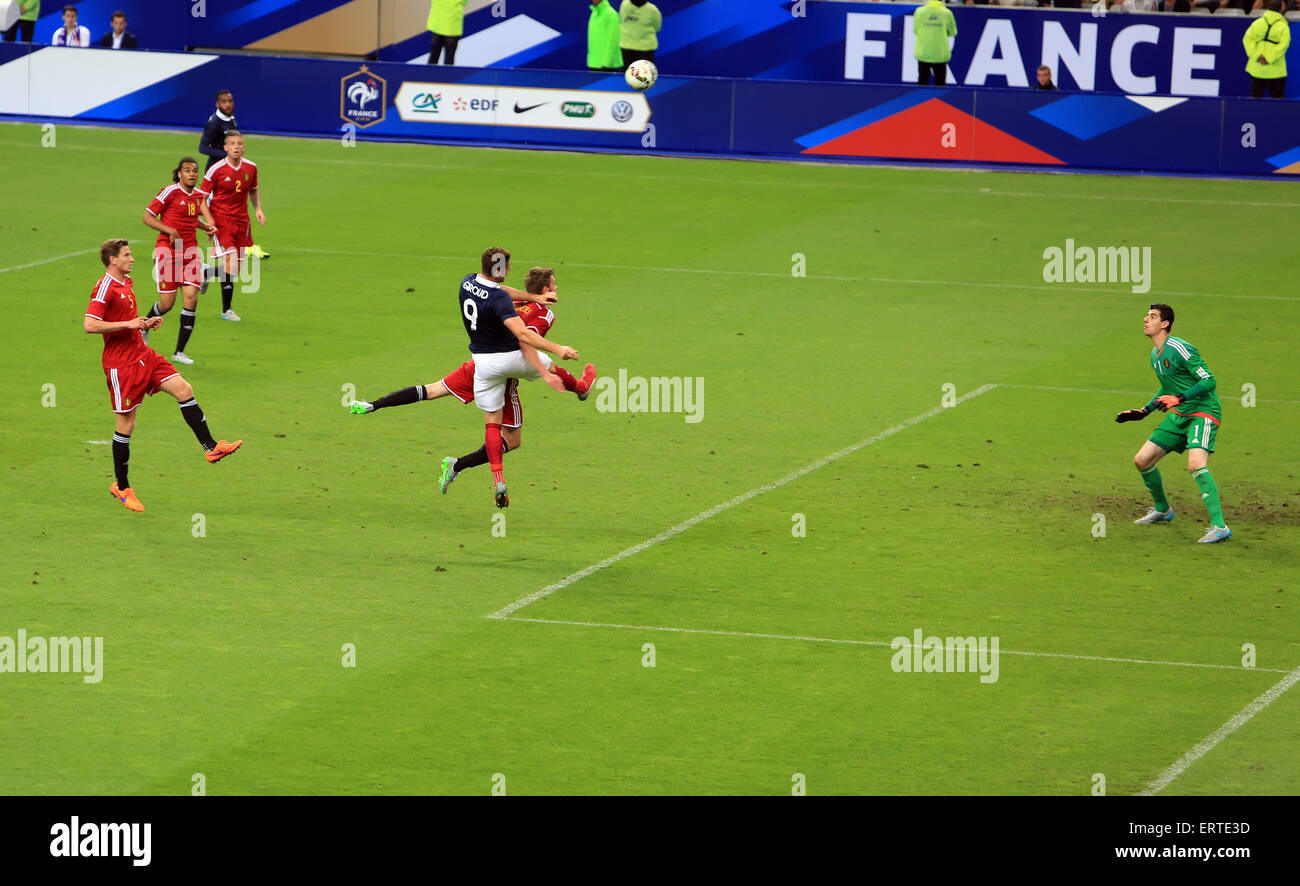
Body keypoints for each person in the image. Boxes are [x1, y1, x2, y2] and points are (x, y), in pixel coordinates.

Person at [348, 267, 597, 496]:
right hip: (504, 371)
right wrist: (553, 358)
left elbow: (499, 291)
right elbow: (525, 342)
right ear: (546, 290)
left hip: (479, 363)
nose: (557, 289)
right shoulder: (544, 313)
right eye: (555, 285)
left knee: (432, 390)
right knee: (513, 438)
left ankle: (373, 404)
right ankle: (459, 465)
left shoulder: (509, 298)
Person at [84, 239, 243, 512]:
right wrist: (129, 324)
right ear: (113, 259)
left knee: (184, 389)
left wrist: (143, 323)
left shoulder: (126, 282)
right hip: (120, 365)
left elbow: (128, 321)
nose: (132, 259)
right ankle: (121, 487)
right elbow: (89, 324)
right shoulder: (105, 287)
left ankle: (211, 447)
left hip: (143, 354)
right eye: (127, 255)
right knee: (127, 424)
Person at [461, 248, 581, 507]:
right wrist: (559, 349)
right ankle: (580, 386)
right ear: (500, 270)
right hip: (506, 359)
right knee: (546, 365)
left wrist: (532, 296)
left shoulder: (468, 281)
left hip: (480, 363)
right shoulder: (501, 301)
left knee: (489, 422)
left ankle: (497, 480)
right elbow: (525, 337)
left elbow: (501, 291)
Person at [1115, 304, 1230, 544]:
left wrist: (1178, 399)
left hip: (1202, 412)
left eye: (1152, 316)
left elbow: (1209, 380)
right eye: (1147, 315)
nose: (1146, 319)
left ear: (1165, 324)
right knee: (1142, 460)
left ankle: (1220, 527)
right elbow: (1168, 387)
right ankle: (1163, 510)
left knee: (1196, 464)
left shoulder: (1179, 347)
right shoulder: (1155, 355)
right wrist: (1144, 411)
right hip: (1179, 415)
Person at [141, 157, 218, 365]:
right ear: (179, 174)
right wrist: (169, 230)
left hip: (190, 253)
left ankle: (179, 352)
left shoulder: (197, 196)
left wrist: (206, 227)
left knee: (191, 299)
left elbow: (193, 219)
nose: (192, 174)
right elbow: (147, 217)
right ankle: (142, 328)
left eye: (195, 171)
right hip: (168, 252)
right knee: (167, 304)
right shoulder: (170, 192)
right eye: (187, 170)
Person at [195, 130, 265, 323]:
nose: (236, 147)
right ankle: (226, 310)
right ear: (225, 148)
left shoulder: (251, 168)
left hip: (242, 222)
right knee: (231, 264)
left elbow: (253, 190)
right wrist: (209, 220)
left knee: (235, 269)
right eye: (232, 144)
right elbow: (201, 198)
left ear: (243, 147)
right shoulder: (216, 169)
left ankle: (205, 272)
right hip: (222, 221)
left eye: (239, 143)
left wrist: (258, 209)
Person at [199, 91, 268, 259]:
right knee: (214, 209)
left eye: (230, 101)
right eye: (224, 102)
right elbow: (203, 148)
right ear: (217, 104)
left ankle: (245, 244)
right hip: (219, 173)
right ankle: (217, 243)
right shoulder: (214, 123)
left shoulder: (229, 119)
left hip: (232, 170)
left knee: (236, 207)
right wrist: (227, 156)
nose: (228, 104)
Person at [1244, 0, 1290, 99]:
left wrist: (1257, 56)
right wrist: (1269, 58)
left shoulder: (1257, 23)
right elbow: (1284, 45)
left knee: (1255, 100)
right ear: (1281, 9)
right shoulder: (1283, 26)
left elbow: (1247, 39)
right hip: (1276, 70)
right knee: (1277, 102)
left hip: (1257, 68)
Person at [913, 0, 957, 86]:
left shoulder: (919, 11)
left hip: (923, 53)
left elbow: (916, 30)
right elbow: (953, 32)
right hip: (940, 54)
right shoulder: (947, 13)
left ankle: (920, 99)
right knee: (940, 84)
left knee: (922, 82)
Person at [619, 0, 661, 68]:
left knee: (645, 76)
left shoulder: (652, 10)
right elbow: (621, 20)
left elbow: (657, 27)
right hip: (626, 48)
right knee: (626, 75)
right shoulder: (624, 4)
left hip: (645, 50)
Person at [588, 0, 623, 73]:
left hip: (606, 66)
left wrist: (607, 63)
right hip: (593, 64)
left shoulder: (611, 14)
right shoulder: (594, 13)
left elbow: (613, 41)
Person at [427, 0, 465, 65]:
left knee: (433, 59)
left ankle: (429, 75)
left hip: (437, 25)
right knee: (449, 62)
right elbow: (464, 2)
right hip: (452, 26)